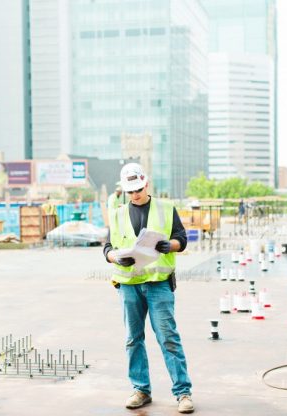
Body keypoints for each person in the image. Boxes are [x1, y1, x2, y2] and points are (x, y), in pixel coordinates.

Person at [103, 163, 194, 413]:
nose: (135, 195)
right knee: (133, 340)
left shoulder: (165, 208)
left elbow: (182, 239)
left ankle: (183, 393)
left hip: (158, 285)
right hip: (129, 285)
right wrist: (115, 257)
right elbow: (107, 248)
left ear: (147, 184)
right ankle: (141, 389)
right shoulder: (119, 213)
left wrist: (170, 245)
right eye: (130, 191)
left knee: (168, 338)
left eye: (139, 189)